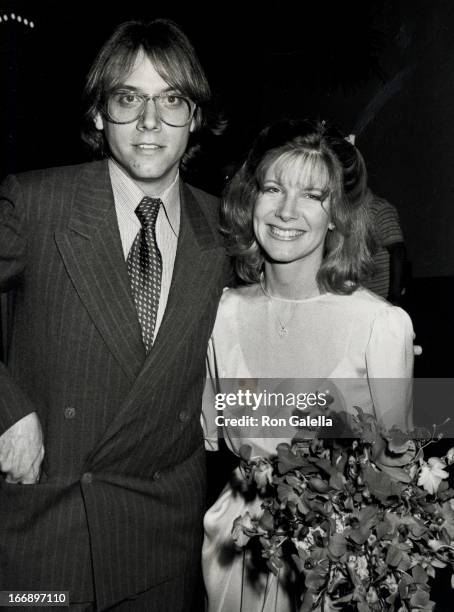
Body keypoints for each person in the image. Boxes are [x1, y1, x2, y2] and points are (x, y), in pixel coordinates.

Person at [0, 19, 228, 611]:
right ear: (101, 114)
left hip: (159, 544)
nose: (150, 123)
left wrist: (406, 401)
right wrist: (6, 410)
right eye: (129, 98)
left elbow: (239, 390)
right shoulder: (35, 203)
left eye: (171, 100)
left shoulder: (227, 230)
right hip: (45, 527)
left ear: (195, 117)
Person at [201, 119, 414, 611]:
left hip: (340, 552)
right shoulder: (218, 313)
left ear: (336, 214)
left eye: (313, 196)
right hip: (237, 547)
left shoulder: (381, 324)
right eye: (273, 188)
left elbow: (406, 458)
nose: (287, 212)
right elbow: (203, 430)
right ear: (250, 200)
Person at [364, 190, 407, 303]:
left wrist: (393, 298)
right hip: (358, 301)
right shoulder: (342, 212)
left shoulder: (379, 208)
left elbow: (398, 251)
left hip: (381, 301)